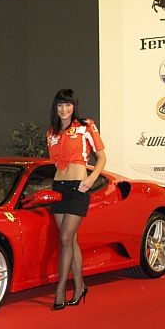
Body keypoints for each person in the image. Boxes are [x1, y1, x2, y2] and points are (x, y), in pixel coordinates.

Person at [46, 89, 106, 310]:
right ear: (56, 108)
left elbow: (102, 157)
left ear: (74, 106)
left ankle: (60, 289)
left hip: (79, 187)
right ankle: (80, 286)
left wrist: (91, 179)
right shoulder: (51, 132)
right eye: (60, 105)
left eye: (68, 105)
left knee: (65, 238)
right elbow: (54, 162)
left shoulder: (85, 126)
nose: (64, 109)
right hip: (59, 188)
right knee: (70, 240)